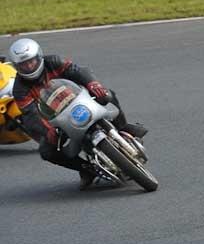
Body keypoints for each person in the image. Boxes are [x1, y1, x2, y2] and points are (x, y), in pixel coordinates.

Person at [8, 38, 147, 190]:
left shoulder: (54, 61)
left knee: (108, 95)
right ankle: (87, 169)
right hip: (56, 120)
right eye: (23, 64)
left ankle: (123, 127)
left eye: (31, 61)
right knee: (47, 152)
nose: (29, 66)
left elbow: (77, 71)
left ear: (39, 57)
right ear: (17, 67)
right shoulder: (20, 90)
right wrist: (47, 131)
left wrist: (93, 83)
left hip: (80, 99)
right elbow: (30, 115)